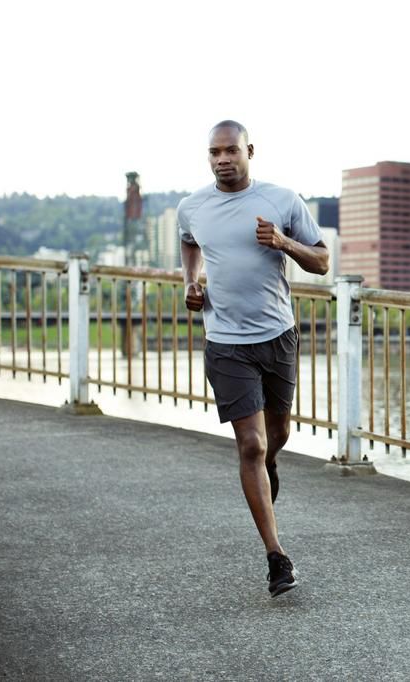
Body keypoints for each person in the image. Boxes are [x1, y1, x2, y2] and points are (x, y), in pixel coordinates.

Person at [178, 120, 328, 597]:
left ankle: (268, 466)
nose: (223, 159)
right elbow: (188, 242)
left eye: (231, 151)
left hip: (277, 336)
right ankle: (277, 559)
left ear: (249, 151)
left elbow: (323, 262)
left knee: (276, 436)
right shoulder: (192, 207)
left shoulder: (282, 201)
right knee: (251, 446)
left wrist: (283, 242)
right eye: (214, 152)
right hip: (225, 342)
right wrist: (191, 281)